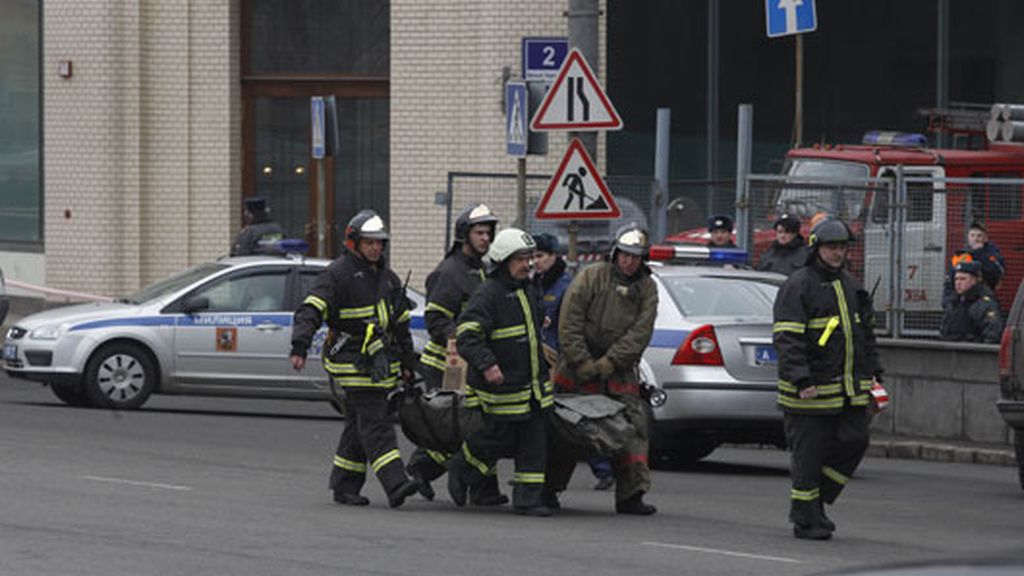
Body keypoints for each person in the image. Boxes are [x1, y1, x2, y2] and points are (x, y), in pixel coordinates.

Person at [289, 209, 421, 508]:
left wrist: (407, 364)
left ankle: (345, 485)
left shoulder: (388, 278)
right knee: (376, 421)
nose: (376, 248)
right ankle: (396, 483)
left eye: (380, 242)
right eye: (369, 242)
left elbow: (399, 325)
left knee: (357, 423)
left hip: (378, 360)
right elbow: (311, 309)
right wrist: (300, 346)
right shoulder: (337, 274)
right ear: (354, 243)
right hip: (350, 359)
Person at [772, 217, 884, 540]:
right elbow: (787, 338)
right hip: (809, 391)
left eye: (842, 248)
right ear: (816, 249)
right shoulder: (799, 285)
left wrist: (875, 372)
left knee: (855, 440)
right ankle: (805, 519)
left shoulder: (851, 285)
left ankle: (817, 501)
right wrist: (801, 379)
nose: (838, 253)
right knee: (809, 456)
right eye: (832, 247)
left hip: (848, 390)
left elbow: (865, 335)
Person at [546, 223, 659, 515]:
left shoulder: (647, 288)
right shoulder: (591, 277)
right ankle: (548, 490)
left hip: (618, 373)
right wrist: (582, 362)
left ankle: (631, 496)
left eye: (636, 256)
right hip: (574, 369)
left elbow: (639, 334)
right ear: (615, 252)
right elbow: (569, 323)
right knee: (566, 431)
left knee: (633, 430)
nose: (629, 261)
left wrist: (608, 363)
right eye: (625, 254)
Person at [448, 228, 555, 516]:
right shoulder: (488, 293)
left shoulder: (530, 289)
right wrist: (487, 364)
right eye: (522, 258)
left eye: (530, 257)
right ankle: (462, 467)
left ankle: (528, 499)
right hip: (503, 387)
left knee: (535, 440)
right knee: (496, 438)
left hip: (530, 385)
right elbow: (467, 335)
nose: (528, 264)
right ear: (504, 260)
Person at [406, 203, 508, 506]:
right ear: (464, 234)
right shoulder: (449, 272)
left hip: (471, 362)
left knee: (474, 423)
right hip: (449, 365)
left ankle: (478, 488)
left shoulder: (480, 269)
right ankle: (427, 469)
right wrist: (465, 342)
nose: (486, 239)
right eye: (479, 233)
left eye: (489, 233)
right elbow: (437, 320)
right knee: (460, 426)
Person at [533, 232, 614, 492]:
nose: (536, 261)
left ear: (554, 256)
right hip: (542, 362)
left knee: (570, 420)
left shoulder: (565, 286)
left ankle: (604, 468)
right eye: (533, 256)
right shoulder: (538, 283)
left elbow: (570, 327)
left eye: (541, 256)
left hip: (562, 364)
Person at [943, 221, 1006, 309]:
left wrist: (979, 253)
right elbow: (950, 281)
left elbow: (995, 275)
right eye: (972, 235)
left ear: (985, 238)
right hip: (962, 302)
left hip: (984, 301)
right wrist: (948, 302)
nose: (975, 239)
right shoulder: (960, 256)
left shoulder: (992, 255)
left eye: (979, 236)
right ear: (968, 237)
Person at [940, 260, 1004, 343]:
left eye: (963, 279)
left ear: (975, 280)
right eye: (956, 279)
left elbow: (993, 334)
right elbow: (944, 329)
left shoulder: (985, 304)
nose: (958, 283)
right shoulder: (954, 302)